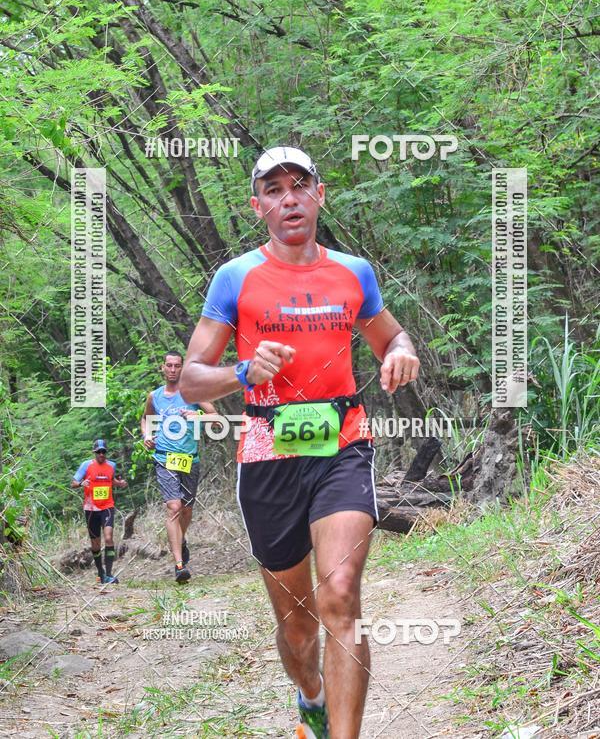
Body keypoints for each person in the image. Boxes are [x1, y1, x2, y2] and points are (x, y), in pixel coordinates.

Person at [179, 147, 420, 739]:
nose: (289, 199)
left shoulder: (354, 272)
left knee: (340, 594)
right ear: (257, 205)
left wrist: (401, 352)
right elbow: (190, 381)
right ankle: (310, 694)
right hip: (268, 450)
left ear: (320, 195)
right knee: (298, 625)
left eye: (300, 186)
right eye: (274, 190)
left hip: (343, 443)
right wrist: (242, 372)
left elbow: (391, 336)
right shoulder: (235, 278)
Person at [141, 350, 217, 584]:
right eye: (169, 365)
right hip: (164, 457)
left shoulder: (193, 392)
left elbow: (216, 417)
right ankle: (179, 565)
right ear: (163, 368)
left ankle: (181, 540)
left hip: (189, 458)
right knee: (173, 507)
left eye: (177, 366)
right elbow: (145, 419)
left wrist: (197, 416)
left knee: (186, 510)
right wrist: (147, 435)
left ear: (182, 368)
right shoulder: (154, 396)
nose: (173, 369)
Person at [72, 439, 127, 585]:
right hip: (91, 509)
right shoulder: (86, 465)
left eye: (103, 452)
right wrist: (81, 483)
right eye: (99, 452)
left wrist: (120, 484)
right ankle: (101, 573)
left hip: (107, 507)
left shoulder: (112, 465)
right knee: (95, 544)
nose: (101, 454)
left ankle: (108, 574)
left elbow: (111, 480)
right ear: (95, 453)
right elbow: (73, 483)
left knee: (108, 538)